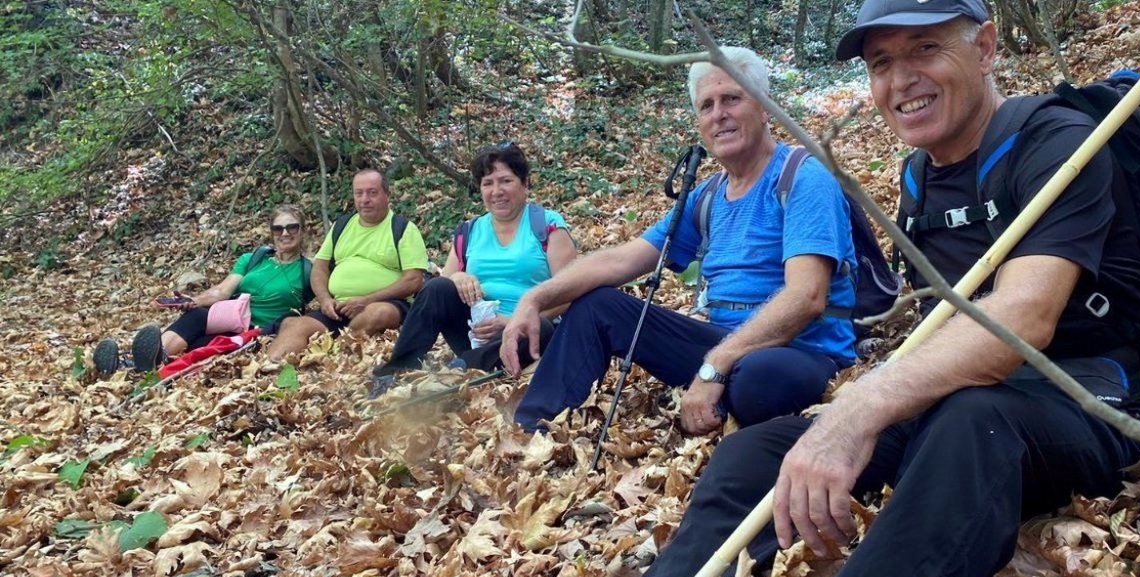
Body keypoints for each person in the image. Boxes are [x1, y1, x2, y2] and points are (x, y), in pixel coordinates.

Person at [628, 1, 1140, 577]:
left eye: (926, 49)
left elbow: (1023, 319)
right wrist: (855, 412)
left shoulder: (1059, 144)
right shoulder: (918, 179)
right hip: (961, 394)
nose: (901, 79)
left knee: (969, 425)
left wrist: (862, 407)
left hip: (1080, 395)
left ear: (986, 48)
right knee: (752, 453)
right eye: (882, 62)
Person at [501, 47, 858, 434]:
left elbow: (807, 296)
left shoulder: (803, 178)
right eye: (707, 106)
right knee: (597, 305)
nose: (718, 114)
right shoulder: (707, 195)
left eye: (732, 99)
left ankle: (723, 394)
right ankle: (531, 429)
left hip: (798, 351)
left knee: (760, 379)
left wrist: (714, 366)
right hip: (724, 346)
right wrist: (534, 299)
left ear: (765, 108)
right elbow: (621, 260)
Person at [369, 142, 576, 394]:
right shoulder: (470, 231)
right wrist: (459, 277)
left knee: (541, 329)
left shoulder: (547, 225)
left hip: (529, 331)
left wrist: (514, 320)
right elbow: (442, 286)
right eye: (488, 183)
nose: (496, 191)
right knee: (436, 288)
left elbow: (570, 290)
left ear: (525, 183)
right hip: (476, 331)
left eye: (505, 181)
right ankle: (396, 372)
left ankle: (459, 371)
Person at [93, 204, 314, 375]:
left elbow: (326, 296)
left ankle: (138, 364)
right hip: (229, 319)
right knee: (196, 315)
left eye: (291, 227)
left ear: (302, 230)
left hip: (260, 331)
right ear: (272, 232)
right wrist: (195, 300)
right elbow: (222, 291)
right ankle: (142, 361)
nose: (285, 233)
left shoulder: (309, 269)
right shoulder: (253, 259)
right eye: (278, 228)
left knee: (201, 345)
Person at [266, 169, 429, 361]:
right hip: (338, 309)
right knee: (294, 325)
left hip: (384, 304)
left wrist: (367, 300)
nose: (364, 199)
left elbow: (413, 280)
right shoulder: (342, 226)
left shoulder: (403, 229)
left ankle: (338, 355)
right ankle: (269, 371)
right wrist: (326, 300)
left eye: (372, 192)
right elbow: (319, 268)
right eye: (359, 193)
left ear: (387, 195)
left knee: (380, 313)